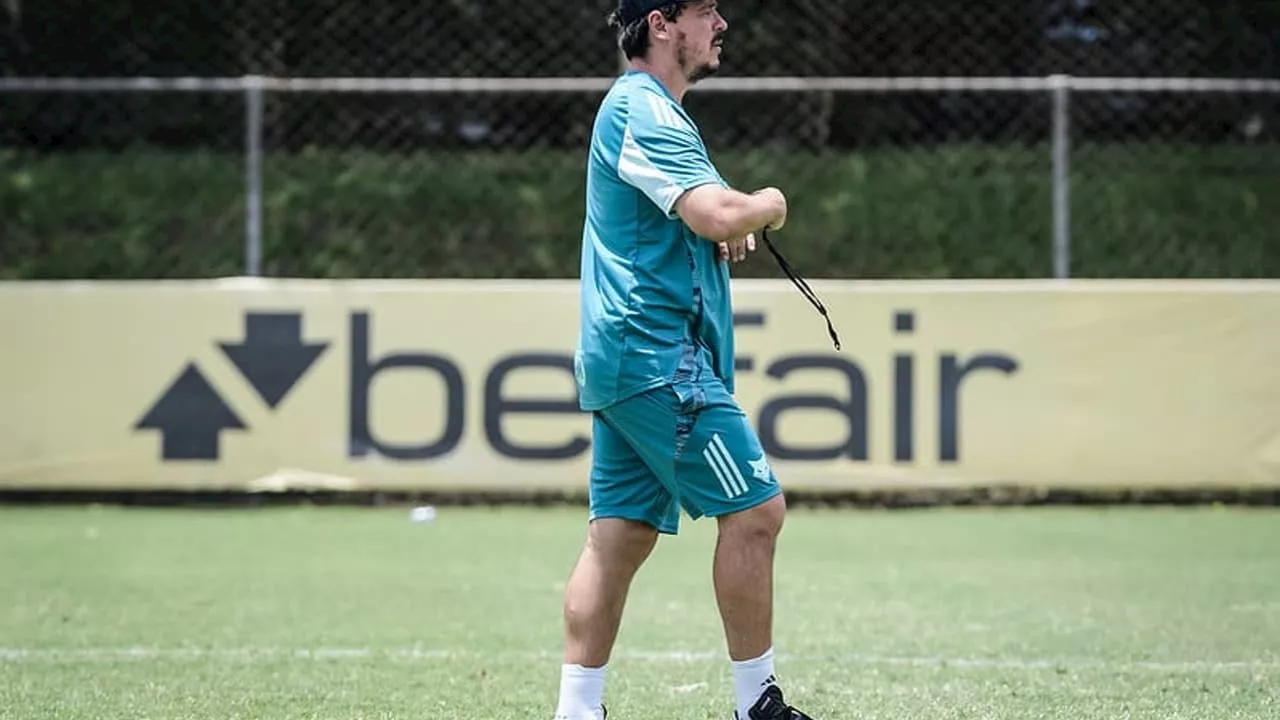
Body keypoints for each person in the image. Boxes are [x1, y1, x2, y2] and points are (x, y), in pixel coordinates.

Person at [554, 1, 815, 719]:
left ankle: (576, 712)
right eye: (706, 11)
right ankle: (755, 704)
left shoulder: (649, 112)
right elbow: (720, 213)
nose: (721, 22)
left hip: (628, 358)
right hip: (655, 357)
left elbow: (699, 215)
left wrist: (723, 224)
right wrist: (768, 203)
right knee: (758, 511)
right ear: (662, 23)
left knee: (619, 536)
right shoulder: (644, 108)